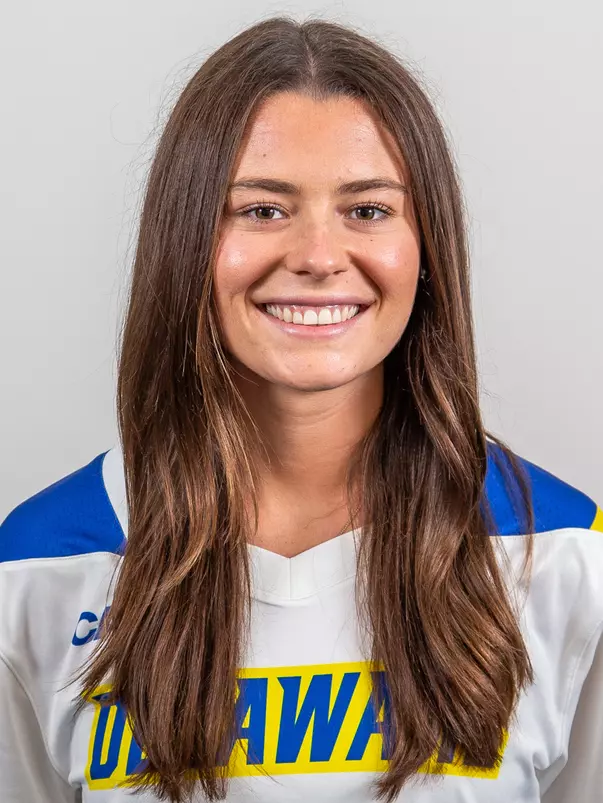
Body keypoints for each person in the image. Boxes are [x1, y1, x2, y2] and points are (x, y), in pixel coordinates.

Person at [0, 15, 601, 803]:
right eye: (261, 209)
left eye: (368, 210)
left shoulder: (560, 556)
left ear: (426, 250)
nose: (318, 256)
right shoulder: (39, 569)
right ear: (186, 242)